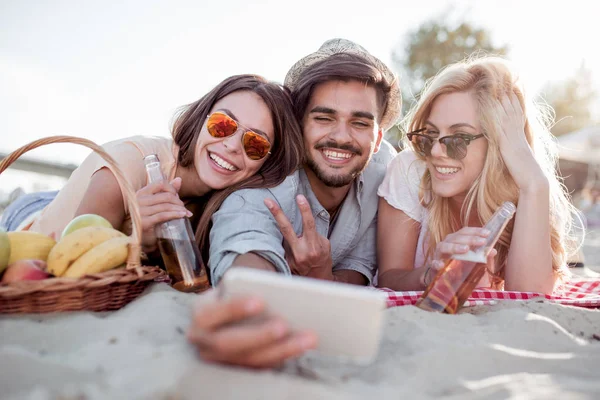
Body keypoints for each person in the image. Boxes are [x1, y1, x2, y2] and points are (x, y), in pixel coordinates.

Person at [187, 38, 401, 368]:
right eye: (324, 118)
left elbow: (359, 268)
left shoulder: (385, 175)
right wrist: (246, 306)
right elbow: (245, 247)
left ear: (377, 140)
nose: (342, 137)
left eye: (360, 122)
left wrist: (324, 276)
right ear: (298, 128)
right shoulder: (261, 191)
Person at [1, 74, 304, 259]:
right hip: (31, 223)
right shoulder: (131, 161)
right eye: (222, 125)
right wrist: (136, 239)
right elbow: (73, 258)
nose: (232, 145)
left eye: (255, 144)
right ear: (201, 120)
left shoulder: (236, 201)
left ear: (268, 160)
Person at [376, 55, 581, 295]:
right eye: (431, 134)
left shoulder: (531, 187)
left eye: (459, 139)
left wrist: (534, 185)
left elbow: (528, 296)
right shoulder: (412, 170)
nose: (434, 151)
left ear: (498, 143)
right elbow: (388, 279)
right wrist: (431, 274)